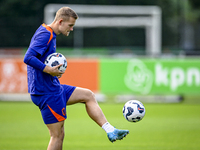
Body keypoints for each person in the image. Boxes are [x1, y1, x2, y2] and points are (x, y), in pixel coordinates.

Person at [24, 6, 129, 150]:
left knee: (88, 95)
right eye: (70, 25)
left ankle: (110, 130)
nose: (72, 29)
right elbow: (28, 57)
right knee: (57, 136)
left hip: (53, 88)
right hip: (46, 92)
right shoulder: (45, 34)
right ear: (60, 21)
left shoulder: (48, 33)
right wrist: (48, 69)